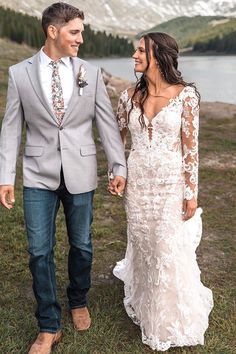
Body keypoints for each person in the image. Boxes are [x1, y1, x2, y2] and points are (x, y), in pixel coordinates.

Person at [0, 2, 126, 353]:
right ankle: (48, 324)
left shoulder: (90, 72)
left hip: (81, 172)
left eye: (82, 32)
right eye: (75, 32)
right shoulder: (19, 73)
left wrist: (118, 166)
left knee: (82, 245)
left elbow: (106, 124)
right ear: (52, 31)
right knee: (39, 252)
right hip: (38, 175)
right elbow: (11, 129)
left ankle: (78, 299)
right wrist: (4, 176)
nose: (80, 39)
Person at [112, 32, 213, 351]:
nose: (134, 54)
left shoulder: (186, 97)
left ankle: (170, 315)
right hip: (139, 183)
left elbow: (190, 149)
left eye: (141, 50)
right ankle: (145, 302)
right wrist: (118, 172)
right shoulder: (128, 96)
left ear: (159, 56)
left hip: (171, 183)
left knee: (166, 243)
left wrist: (190, 192)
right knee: (143, 241)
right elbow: (118, 141)